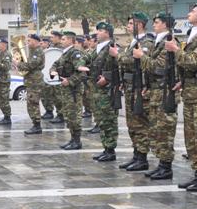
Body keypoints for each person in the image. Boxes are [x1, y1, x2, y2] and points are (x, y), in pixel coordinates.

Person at [166, 3, 197, 191]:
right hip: (189, 93)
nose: (189, 14)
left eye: (193, 11)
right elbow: (186, 68)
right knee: (191, 136)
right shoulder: (192, 35)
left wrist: (175, 50)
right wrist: (181, 80)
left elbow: (195, 61)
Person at [136, 12, 178, 180]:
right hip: (155, 91)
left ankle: (166, 166)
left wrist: (142, 57)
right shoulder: (158, 42)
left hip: (165, 92)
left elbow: (159, 67)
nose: (154, 24)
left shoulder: (169, 42)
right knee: (156, 130)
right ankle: (161, 163)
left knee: (165, 130)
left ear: (166, 24)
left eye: (158, 22)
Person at [110, 12, 154, 171]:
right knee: (131, 123)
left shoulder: (147, 42)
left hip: (138, 87)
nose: (128, 26)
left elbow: (133, 60)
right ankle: (136, 154)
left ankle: (142, 157)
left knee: (140, 123)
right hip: (129, 85)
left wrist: (118, 55)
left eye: (130, 23)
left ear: (139, 25)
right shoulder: (132, 42)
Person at [51, 31, 86, 149]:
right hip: (66, 90)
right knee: (68, 115)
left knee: (74, 115)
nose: (62, 41)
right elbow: (55, 64)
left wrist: (69, 81)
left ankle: (77, 141)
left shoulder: (75, 53)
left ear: (71, 40)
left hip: (73, 90)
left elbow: (82, 73)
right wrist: (53, 71)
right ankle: (72, 139)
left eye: (64, 39)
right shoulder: (65, 54)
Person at [89, 22, 118, 161]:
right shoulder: (98, 48)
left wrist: (107, 78)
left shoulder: (112, 47)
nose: (97, 33)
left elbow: (117, 67)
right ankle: (106, 148)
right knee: (102, 120)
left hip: (107, 91)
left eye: (100, 31)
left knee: (109, 120)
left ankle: (111, 150)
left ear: (107, 33)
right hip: (97, 90)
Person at [16, 33, 45, 134]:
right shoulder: (33, 51)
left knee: (33, 104)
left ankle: (37, 126)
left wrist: (18, 64)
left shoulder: (38, 51)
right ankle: (35, 124)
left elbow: (31, 65)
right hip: (31, 81)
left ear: (35, 41)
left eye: (29, 41)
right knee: (31, 104)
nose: (27, 43)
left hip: (35, 82)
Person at [48, 31, 66, 124]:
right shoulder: (51, 47)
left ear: (58, 38)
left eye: (52, 37)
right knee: (54, 96)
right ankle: (58, 113)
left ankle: (61, 115)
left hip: (59, 74)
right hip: (52, 74)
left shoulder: (62, 48)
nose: (51, 39)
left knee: (59, 96)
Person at [39, 37, 56, 119]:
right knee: (43, 95)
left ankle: (50, 111)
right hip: (42, 76)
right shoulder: (41, 52)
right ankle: (47, 110)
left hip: (50, 76)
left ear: (47, 43)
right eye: (41, 42)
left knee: (49, 95)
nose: (41, 44)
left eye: (43, 42)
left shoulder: (52, 51)